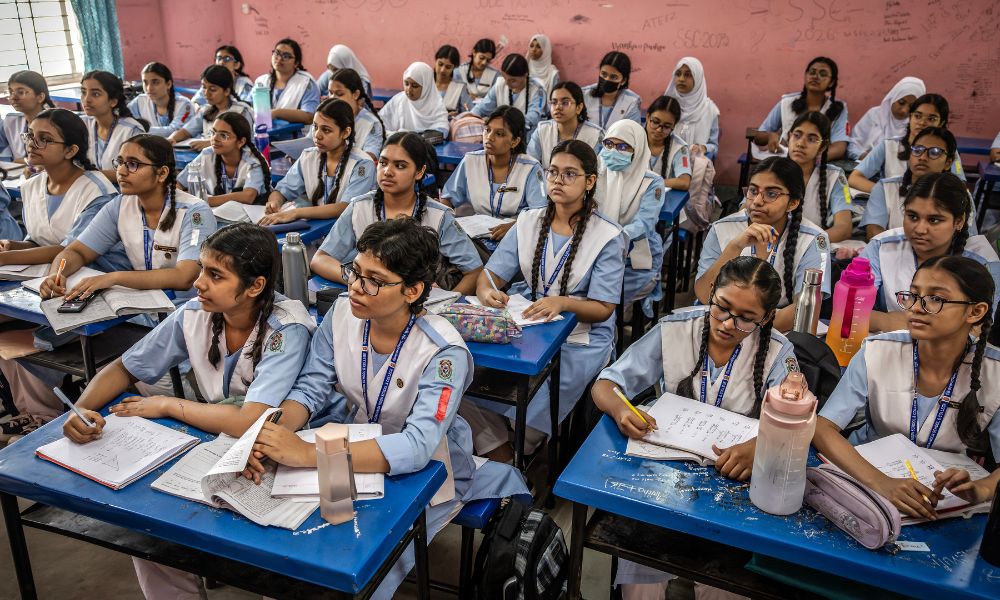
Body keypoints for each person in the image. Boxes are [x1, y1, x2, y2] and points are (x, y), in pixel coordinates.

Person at [240, 218, 529, 600]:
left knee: (365, 563)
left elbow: (417, 446)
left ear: (413, 290)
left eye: (374, 280)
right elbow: (311, 387)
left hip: (424, 471)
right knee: (305, 540)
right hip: (350, 444)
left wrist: (305, 453)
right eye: (355, 272)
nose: (356, 288)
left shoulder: (444, 353)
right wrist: (275, 436)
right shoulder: (344, 313)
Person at [61, 223, 314, 600]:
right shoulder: (195, 313)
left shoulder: (286, 329)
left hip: (270, 449)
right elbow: (124, 367)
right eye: (201, 270)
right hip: (215, 439)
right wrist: (78, 409)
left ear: (255, 286)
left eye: (215, 275)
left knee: (274, 563)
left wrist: (166, 404)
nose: (198, 283)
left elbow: (250, 419)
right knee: (149, 534)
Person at [594, 256, 797, 598]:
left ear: (766, 318)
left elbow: (794, 425)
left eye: (746, 319)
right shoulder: (676, 329)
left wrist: (758, 445)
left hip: (732, 478)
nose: (729, 324)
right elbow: (606, 383)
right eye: (722, 308)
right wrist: (620, 408)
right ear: (711, 294)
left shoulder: (778, 352)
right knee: (642, 565)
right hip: (664, 468)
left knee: (725, 582)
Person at [460, 139, 626, 461]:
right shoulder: (529, 221)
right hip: (529, 321)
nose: (557, 181)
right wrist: (486, 292)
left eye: (569, 174)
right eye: (552, 172)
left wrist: (563, 303)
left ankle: (525, 447)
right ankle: (502, 450)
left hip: (582, 337)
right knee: (469, 379)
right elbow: (490, 277)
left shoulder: (607, 235)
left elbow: (604, 309)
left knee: (538, 402)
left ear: (589, 182)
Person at [813, 255, 1000, 520]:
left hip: (941, 494)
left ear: (975, 312)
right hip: (869, 474)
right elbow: (823, 427)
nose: (916, 308)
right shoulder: (879, 349)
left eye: (935, 299)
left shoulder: (996, 372)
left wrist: (980, 489)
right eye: (912, 296)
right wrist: (881, 482)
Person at [310, 132, 482, 294]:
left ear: (420, 172)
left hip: (418, 304)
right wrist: (357, 278)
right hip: (369, 298)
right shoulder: (359, 207)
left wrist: (446, 304)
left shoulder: (439, 216)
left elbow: (474, 271)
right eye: (383, 163)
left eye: (400, 166)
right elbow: (320, 259)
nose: (388, 172)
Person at [696, 157, 831, 332]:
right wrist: (734, 248)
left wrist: (744, 327)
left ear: (793, 203)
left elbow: (804, 309)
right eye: (753, 191)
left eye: (771, 194)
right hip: (720, 323)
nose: (758, 201)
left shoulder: (813, 240)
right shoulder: (722, 229)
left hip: (777, 329)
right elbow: (703, 295)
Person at [861, 172, 1000, 334]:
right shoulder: (881, 246)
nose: (920, 229)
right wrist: (889, 321)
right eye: (912, 216)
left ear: (959, 221)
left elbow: (976, 331)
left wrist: (889, 320)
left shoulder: (983, 262)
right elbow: (849, 312)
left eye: (934, 220)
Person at [441, 106, 545, 246]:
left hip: (516, 238)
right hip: (477, 235)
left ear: (515, 141)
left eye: (500, 134)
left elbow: (540, 213)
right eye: (487, 130)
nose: (489, 137)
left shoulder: (531, 168)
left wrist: (515, 226)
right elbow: (448, 199)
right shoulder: (471, 161)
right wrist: (446, 222)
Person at [263, 97, 376, 222]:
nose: (317, 135)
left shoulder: (362, 164)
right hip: (320, 230)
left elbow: (345, 207)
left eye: (326, 130)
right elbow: (283, 190)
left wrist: (296, 213)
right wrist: (274, 203)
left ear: (345, 132)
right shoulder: (308, 156)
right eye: (315, 127)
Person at [754, 57, 849, 160]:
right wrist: (769, 136)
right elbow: (759, 136)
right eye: (812, 72)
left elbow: (839, 147)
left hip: (817, 165)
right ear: (805, 76)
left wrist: (809, 159)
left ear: (831, 82)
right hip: (783, 162)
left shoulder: (837, 109)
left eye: (823, 74)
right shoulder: (787, 103)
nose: (815, 77)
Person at [176, 111, 271, 207]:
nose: (214, 139)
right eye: (213, 132)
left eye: (223, 135)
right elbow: (178, 184)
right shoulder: (207, 154)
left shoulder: (253, 162)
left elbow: (248, 196)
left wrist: (204, 200)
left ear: (241, 142)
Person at [79, 70, 147, 180]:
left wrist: (89, 175)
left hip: (124, 192)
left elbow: (136, 171)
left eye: (95, 94)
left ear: (113, 101)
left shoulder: (131, 130)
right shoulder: (82, 124)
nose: (86, 99)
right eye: (83, 92)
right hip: (90, 191)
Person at [168, 65, 254, 152]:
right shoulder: (206, 110)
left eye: (212, 89)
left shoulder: (241, 111)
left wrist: (209, 143)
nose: (206, 93)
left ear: (227, 91)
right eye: (204, 87)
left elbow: (245, 143)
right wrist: (172, 138)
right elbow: (186, 131)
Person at [848, 76, 925, 160]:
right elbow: (853, 144)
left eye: (911, 107)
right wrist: (865, 157)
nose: (904, 110)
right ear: (894, 96)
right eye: (901, 102)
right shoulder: (875, 115)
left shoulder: (916, 124)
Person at [663, 57, 720, 158]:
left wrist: (703, 148)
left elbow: (714, 146)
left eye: (688, 75)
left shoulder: (710, 110)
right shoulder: (666, 105)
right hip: (663, 161)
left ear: (697, 78)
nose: (681, 79)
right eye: (678, 74)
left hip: (694, 165)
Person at [254, 38, 321, 124]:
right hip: (264, 133)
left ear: (296, 63)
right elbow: (251, 109)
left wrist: (277, 113)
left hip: (296, 136)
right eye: (277, 53)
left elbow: (309, 116)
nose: (279, 58)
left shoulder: (306, 83)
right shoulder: (261, 81)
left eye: (285, 56)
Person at [379, 62, 449, 137]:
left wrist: (412, 137)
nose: (409, 89)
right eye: (406, 84)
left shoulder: (436, 105)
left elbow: (442, 131)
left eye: (415, 86)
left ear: (426, 87)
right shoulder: (399, 100)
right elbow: (379, 124)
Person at [127, 62, 195, 137]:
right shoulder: (139, 101)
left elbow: (174, 130)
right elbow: (125, 122)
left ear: (168, 84)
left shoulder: (185, 105)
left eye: (155, 82)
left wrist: (140, 129)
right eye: (145, 83)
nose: (149, 88)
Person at [0, 70, 55, 162]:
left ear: (40, 97)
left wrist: (26, 161)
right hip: (19, 175)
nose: (13, 97)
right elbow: (3, 156)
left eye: (20, 92)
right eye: (11, 92)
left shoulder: (57, 123)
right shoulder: (10, 122)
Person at [582, 51, 641, 130]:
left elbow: (632, 133)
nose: (606, 79)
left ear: (623, 81)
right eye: (604, 74)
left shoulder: (631, 102)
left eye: (613, 77)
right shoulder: (584, 94)